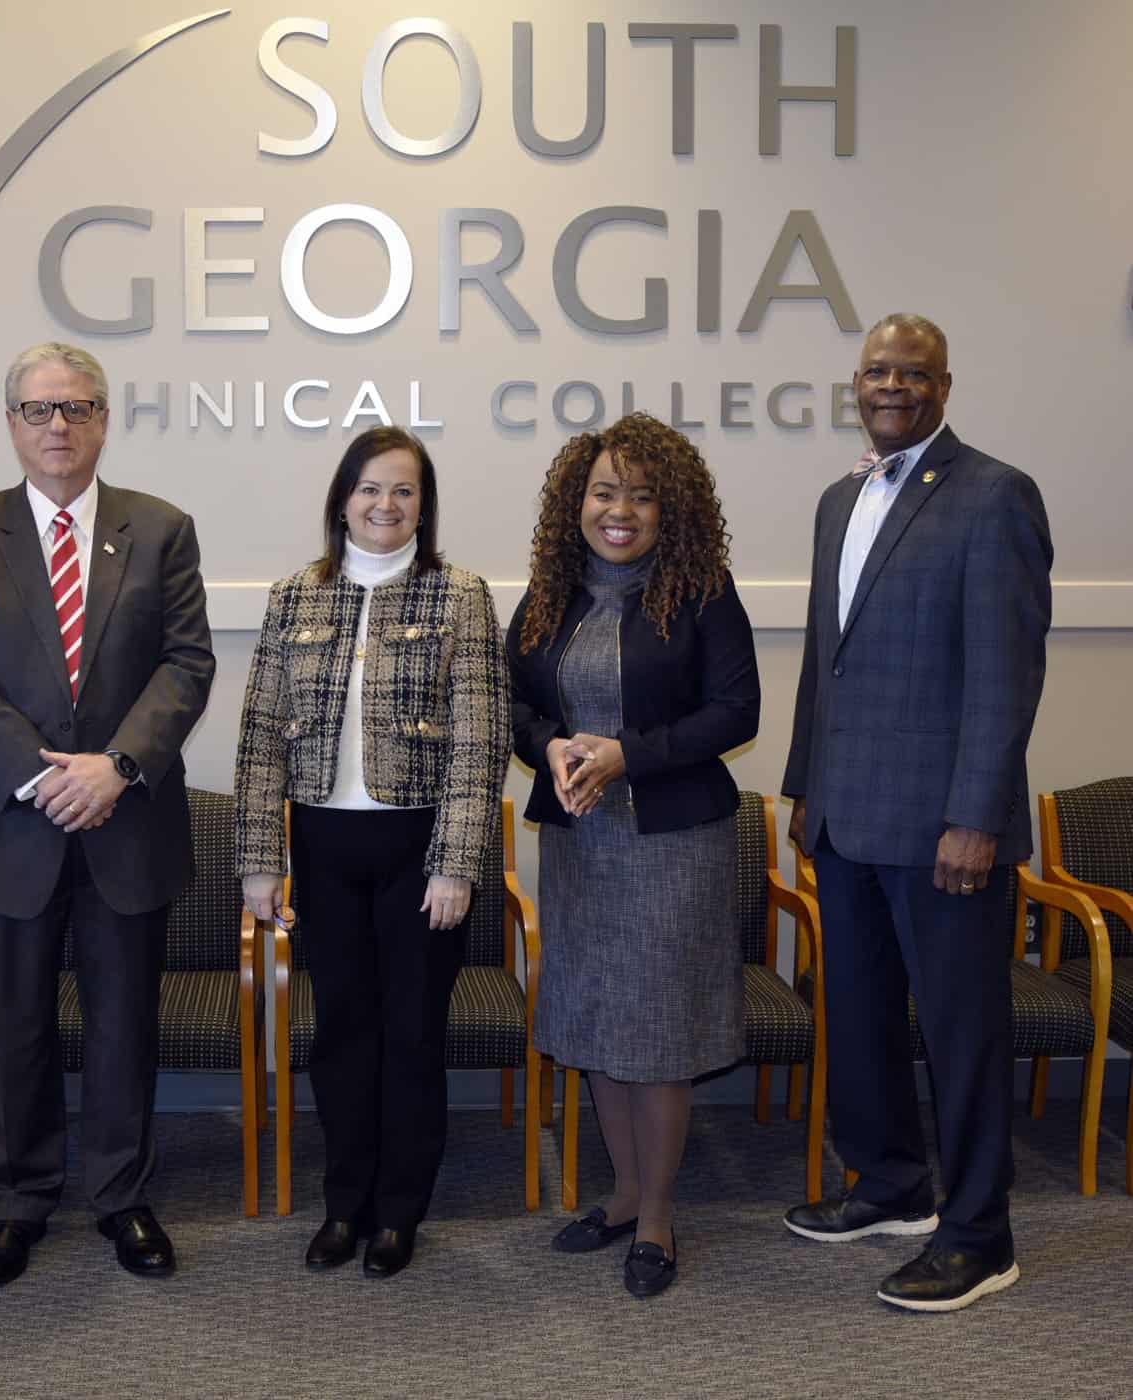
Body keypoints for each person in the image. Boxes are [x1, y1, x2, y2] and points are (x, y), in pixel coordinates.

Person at [0, 342, 214, 1288]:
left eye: (78, 408)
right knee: (12, 1025)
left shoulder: (162, 528)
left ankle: (122, 1196)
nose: (59, 426)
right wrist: (41, 777)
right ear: (9, 423)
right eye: (39, 410)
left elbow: (186, 665)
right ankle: (15, 1203)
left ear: (103, 420)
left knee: (125, 1022)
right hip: (12, 822)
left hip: (125, 822)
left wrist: (117, 768)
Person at [781, 313, 1052, 1312]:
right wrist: (801, 782)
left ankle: (982, 1233)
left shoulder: (993, 495)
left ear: (944, 383)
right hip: (847, 819)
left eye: (912, 371)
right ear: (856, 381)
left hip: (946, 831)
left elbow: (1003, 672)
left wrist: (977, 813)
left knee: (960, 1029)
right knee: (855, 1017)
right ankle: (890, 1182)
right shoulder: (836, 498)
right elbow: (827, 656)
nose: (891, 383)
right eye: (875, 369)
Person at [235, 426, 510, 1278]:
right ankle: (344, 1205)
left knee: (412, 1034)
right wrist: (258, 859)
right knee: (341, 1035)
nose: (384, 505)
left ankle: (400, 1212)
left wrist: (457, 862)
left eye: (402, 491)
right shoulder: (294, 595)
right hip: (323, 844)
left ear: (423, 508)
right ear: (341, 500)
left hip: (419, 850)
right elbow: (256, 741)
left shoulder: (459, 595)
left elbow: (481, 739)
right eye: (368, 489)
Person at [507, 413, 758, 1298]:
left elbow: (735, 714)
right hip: (582, 839)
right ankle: (618, 1194)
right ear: (575, 502)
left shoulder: (700, 590)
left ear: (669, 509)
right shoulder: (551, 591)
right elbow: (514, 703)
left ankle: (656, 1215)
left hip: (673, 844)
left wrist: (625, 754)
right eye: (604, 491)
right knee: (598, 1019)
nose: (620, 511)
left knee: (658, 1030)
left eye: (641, 495)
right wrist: (552, 749)